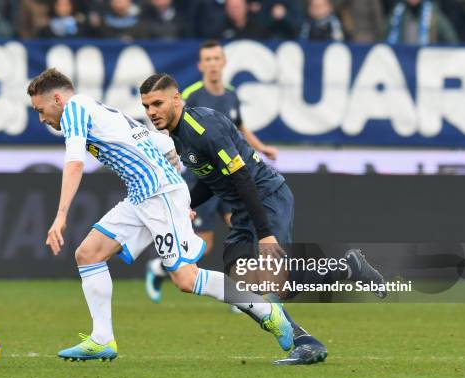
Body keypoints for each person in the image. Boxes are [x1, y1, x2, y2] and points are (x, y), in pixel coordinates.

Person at [27, 68, 294, 362]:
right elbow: (163, 145)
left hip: (157, 194)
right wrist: (176, 189)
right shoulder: (96, 109)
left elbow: (74, 163)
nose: (41, 118)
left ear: (57, 98)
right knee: (88, 254)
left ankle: (265, 310)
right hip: (142, 195)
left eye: (40, 110)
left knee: (186, 279)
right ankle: (101, 339)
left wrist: (61, 215)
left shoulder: (74, 110)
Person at [140, 73, 387, 364]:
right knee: (240, 288)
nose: (151, 112)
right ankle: (307, 337)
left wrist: (265, 232)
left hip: (266, 197)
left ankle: (344, 275)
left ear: (176, 98)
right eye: (146, 106)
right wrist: (185, 203)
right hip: (244, 206)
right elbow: (210, 179)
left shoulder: (203, 128)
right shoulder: (178, 135)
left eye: (157, 103)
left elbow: (242, 176)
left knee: (278, 282)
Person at [144, 40, 278, 305]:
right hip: (202, 177)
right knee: (205, 241)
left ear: (224, 62)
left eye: (217, 58)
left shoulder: (231, 94)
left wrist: (260, 148)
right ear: (200, 65)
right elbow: (177, 131)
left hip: (228, 174)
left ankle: (244, 292)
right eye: (207, 60)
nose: (213, 64)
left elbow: (238, 129)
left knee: (241, 226)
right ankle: (159, 268)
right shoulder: (191, 95)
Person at [385, 0, 458, 45]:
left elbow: (452, 41)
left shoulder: (434, 15)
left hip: (426, 64)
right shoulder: (396, 15)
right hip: (401, 63)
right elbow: (383, 42)